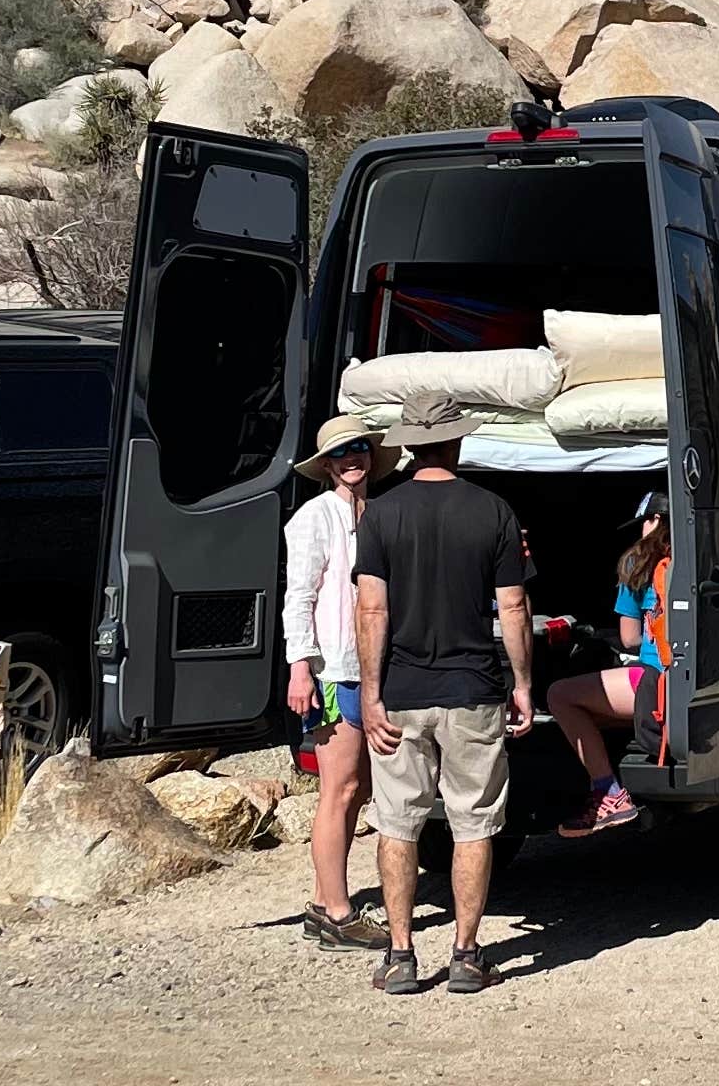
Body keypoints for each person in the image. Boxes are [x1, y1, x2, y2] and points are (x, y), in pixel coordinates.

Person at [348, 399, 534, 996]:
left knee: (397, 826)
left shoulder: (380, 513)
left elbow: (371, 607)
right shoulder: (493, 511)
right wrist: (523, 683)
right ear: (456, 443)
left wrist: (371, 696)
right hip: (473, 688)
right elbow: (513, 606)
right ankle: (465, 954)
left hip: (400, 690)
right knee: (473, 824)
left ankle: (401, 956)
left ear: (409, 446)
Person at [278, 412, 394, 947]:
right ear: (326, 465)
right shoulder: (313, 518)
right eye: (342, 452)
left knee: (357, 787)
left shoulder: (379, 512)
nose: (353, 459)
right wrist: (299, 665)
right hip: (332, 667)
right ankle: (338, 913)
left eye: (361, 449)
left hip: (369, 664)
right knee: (339, 788)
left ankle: (327, 901)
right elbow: (298, 596)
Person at [546, 492, 668, 837]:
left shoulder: (638, 562)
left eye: (645, 521)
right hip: (693, 682)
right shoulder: (702, 555)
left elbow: (629, 639)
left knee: (561, 698)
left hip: (653, 681)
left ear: (656, 521)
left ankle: (608, 793)